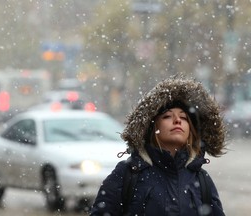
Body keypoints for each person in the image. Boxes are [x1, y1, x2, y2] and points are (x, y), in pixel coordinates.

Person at [90, 77, 226, 216]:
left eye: (184, 118)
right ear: (152, 126)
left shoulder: (201, 179)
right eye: (167, 116)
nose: (177, 120)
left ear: (191, 130)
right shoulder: (128, 173)